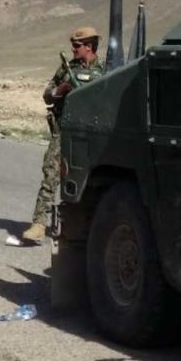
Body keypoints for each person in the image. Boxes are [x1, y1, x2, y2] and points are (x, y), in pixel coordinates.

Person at [22, 26, 105, 244]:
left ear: (89, 47)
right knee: (51, 173)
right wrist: (62, 90)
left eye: (77, 46)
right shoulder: (66, 69)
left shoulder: (105, 70)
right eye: (73, 45)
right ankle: (39, 224)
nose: (73, 49)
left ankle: (84, 227)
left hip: (91, 134)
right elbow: (47, 96)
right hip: (64, 131)